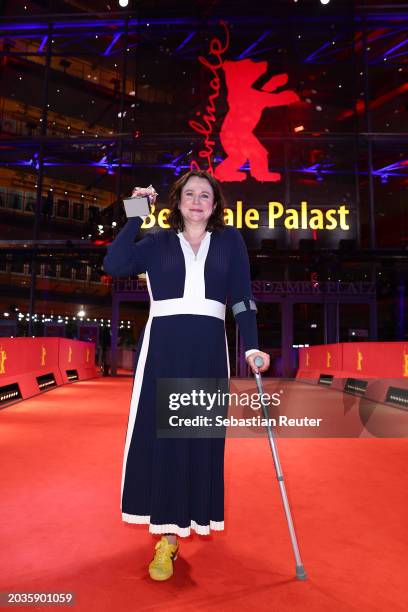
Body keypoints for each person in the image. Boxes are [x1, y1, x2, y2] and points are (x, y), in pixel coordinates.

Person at [103, 170, 270, 581]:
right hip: (163, 348)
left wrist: (250, 346)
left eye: (205, 195)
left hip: (210, 350)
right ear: (177, 203)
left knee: (197, 437)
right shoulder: (157, 242)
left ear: (215, 205)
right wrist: (136, 212)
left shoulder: (230, 241)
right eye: (189, 194)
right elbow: (114, 262)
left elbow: (243, 298)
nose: (197, 200)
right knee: (160, 437)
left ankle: (189, 519)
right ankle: (167, 540)